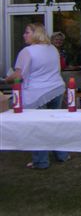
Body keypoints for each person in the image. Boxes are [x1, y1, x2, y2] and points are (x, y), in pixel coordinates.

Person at [3, 23, 69, 169]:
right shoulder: (52, 49)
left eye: (27, 32)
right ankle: (62, 155)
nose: (24, 35)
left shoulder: (27, 51)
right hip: (56, 89)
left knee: (37, 127)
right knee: (54, 124)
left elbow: (18, 75)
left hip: (37, 93)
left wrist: (6, 80)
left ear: (36, 33)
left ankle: (41, 161)